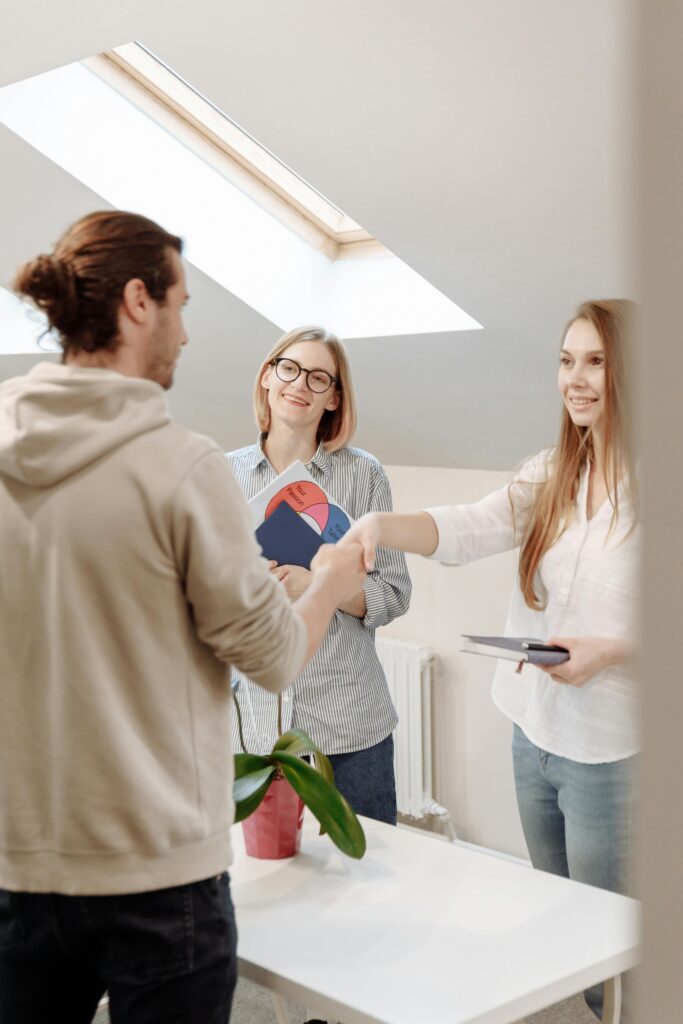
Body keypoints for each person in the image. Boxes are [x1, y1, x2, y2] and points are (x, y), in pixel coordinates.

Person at [0, 211, 366, 1024]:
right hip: (157, 874)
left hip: (21, 861)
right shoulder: (184, 465)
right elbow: (271, 656)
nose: (188, 335)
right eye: (183, 307)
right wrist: (328, 577)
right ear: (139, 301)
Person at [341, 300, 639, 1021]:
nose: (575, 379)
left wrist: (612, 650)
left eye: (595, 361)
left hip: (610, 750)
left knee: (612, 937)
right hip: (529, 732)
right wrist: (380, 523)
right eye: (565, 361)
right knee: (561, 919)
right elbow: (469, 527)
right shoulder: (550, 473)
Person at [227, 327, 411, 827]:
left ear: (334, 397)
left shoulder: (364, 476)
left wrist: (320, 588)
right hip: (254, 733)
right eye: (289, 368)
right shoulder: (220, 476)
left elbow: (393, 594)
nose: (299, 384)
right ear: (267, 377)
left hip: (350, 728)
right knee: (271, 882)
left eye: (318, 377)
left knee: (366, 884)